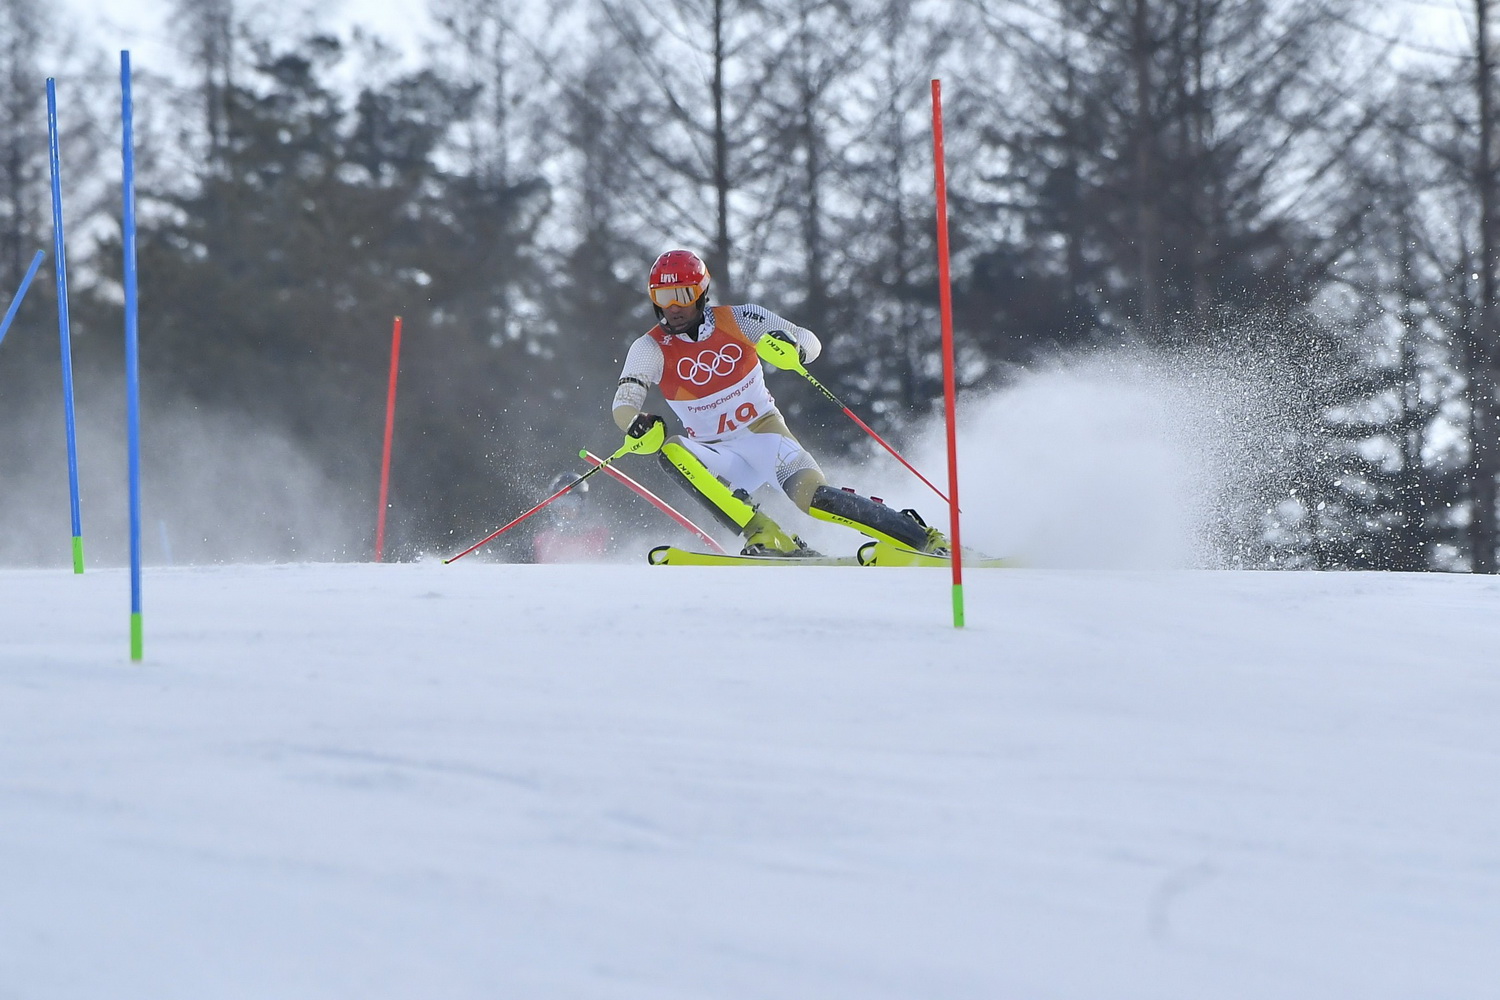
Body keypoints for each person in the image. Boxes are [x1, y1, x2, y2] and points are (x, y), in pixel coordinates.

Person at [610, 248, 949, 557]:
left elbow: (809, 341)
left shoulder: (740, 319)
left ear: (701, 294)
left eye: (682, 295)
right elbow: (624, 401)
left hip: (766, 438)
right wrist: (634, 422)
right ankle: (766, 534)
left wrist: (794, 348)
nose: (672, 307)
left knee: (816, 499)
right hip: (717, 457)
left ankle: (922, 538)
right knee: (672, 451)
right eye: (663, 296)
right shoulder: (649, 348)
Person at [532, 472, 611, 563]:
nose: (564, 509)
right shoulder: (543, 541)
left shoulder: (598, 537)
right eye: (559, 503)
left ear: (582, 505)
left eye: (571, 502)